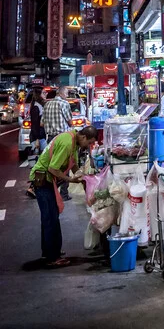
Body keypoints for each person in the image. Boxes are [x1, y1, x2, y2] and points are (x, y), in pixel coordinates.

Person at [30, 125, 97, 267]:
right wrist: (70, 179)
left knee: (52, 217)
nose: (89, 146)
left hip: (48, 181)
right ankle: (51, 258)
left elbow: (73, 165)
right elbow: (52, 168)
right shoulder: (67, 142)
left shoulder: (73, 140)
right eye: (89, 142)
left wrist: (84, 180)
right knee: (50, 219)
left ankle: (51, 251)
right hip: (42, 181)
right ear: (84, 137)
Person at [43, 87, 73, 200]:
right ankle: (63, 194)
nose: (67, 95)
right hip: (62, 138)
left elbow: (42, 123)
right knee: (65, 166)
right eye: (66, 93)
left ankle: (51, 192)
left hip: (50, 139)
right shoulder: (64, 104)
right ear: (61, 93)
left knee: (52, 166)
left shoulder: (47, 104)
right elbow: (70, 122)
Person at [30, 89, 47, 156]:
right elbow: (34, 125)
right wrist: (37, 139)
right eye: (43, 93)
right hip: (37, 137)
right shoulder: (36, 107)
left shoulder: (40, 106)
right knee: (41, 158)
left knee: (42, 159)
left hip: (42, 136)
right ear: (38, 95)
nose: (46, 94)